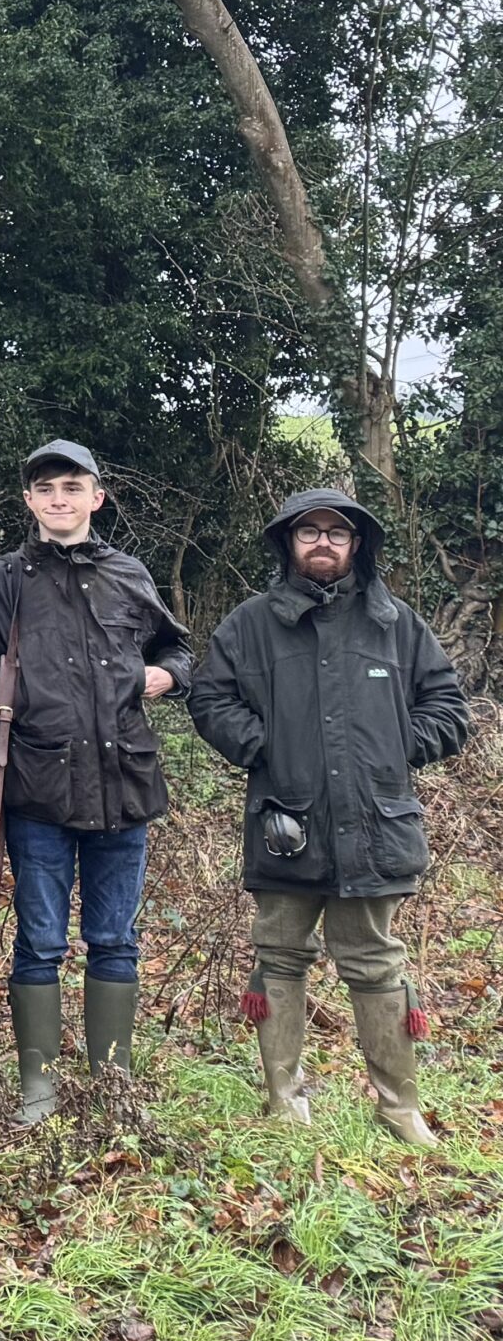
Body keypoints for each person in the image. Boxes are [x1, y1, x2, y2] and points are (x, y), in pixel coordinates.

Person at [188, 489, 471, 1145]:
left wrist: (398, 745)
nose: (322, 542)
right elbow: (209, 697)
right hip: (286, 826)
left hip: (377, 825)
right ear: (289, 543)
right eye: (308, 531)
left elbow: (448, 707)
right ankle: (283, 1101)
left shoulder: (396, 624)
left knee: (375, 963)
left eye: (336, 533)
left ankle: (400, 1109)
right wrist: (262, 747)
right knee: (280, 957)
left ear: (357, 546)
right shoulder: (251, 624)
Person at [0, 439, 193, 1124]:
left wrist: (168, 676)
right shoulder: (0, 581)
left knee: (116, 939)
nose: (58, 499)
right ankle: (39, 1091)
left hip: (124, 784)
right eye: (45, 489)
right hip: (35, 791)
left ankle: (112, 1085)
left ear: (97, 496)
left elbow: (177, 648)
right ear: (29, 501)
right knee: (39, 941)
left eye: (72, 486)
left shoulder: (128, 574)